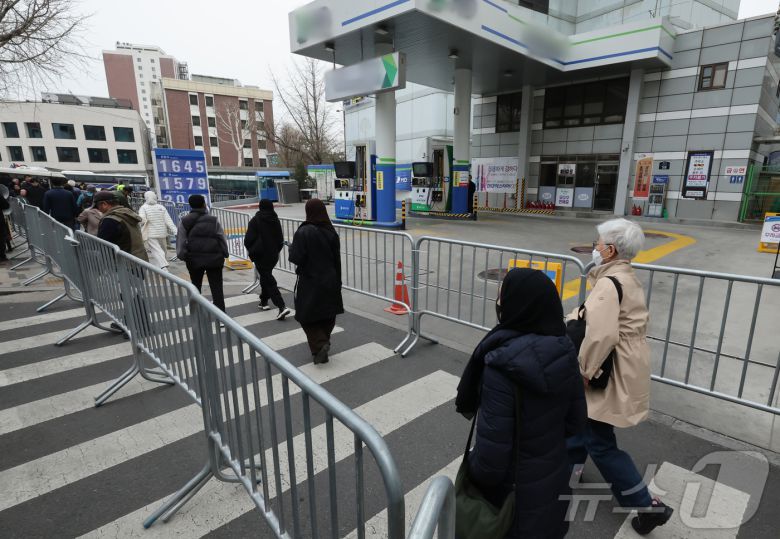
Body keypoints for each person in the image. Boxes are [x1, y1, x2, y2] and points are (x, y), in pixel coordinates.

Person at [456, 268, 586, 538]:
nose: (499, 303)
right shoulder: (564, 348)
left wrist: (472, 472)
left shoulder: (501, 365)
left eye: (502, 297)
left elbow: (491, 463)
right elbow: (576, 423)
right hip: (554, 484)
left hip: (514, 500)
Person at [566, 218, 673, 535]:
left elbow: (600, 335)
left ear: (610, 250)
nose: (595, 247)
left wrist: (584, 372)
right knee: (581, 422)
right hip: (623, 364)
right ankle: (568, 473)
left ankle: (646, 504)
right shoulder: (623, 277)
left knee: (598, 439)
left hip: (608, 367)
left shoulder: (609, 284)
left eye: (598, 243)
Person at [288, 198, 343, 364]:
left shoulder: (303, 232)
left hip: (310, 280)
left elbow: (296, 258)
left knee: (305, 315)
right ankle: (322, 343)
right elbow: (337, 260)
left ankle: (320, 344)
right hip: (330, 279)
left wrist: (292, 248)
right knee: (328, 314)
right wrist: (338, 281)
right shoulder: (331, 231)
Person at [177, 194, 229, 313]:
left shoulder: (184, 221)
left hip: (194, 259)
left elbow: (181, 241)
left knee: (195, 287)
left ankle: (197, 314)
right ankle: (221, 316)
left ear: (190, 205)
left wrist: (183, 256)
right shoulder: (213, 220)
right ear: (203, 204)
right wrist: (225, 253)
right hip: (214, 258)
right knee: (217, 288)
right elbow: (221, 238)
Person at [244, 199, 291, 320]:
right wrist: (275, 250)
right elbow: (280, 238)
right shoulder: (275, 220)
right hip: (273, 255)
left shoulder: (255, 220)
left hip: (260, 255)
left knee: (269, 280)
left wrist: (252, 250)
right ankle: (263, 301)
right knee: (266, 276)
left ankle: (281, 306)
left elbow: (248, 239)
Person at [94, 191, 148, 261]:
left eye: (98, 207)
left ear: (104, 204)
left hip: (124, 264)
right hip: (139, 260)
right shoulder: (127, 213)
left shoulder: (110, 220)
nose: (98, 210)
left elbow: (101, 245)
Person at [138, 190, 176, 270]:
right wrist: (175, 231)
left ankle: (162, 266)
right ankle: (162, 266)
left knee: (157, 250)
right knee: (163, 250)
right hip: (162, 233)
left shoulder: (143, 207)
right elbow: (168, 220)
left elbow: (142, 219)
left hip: (150, 233)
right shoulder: (161, 207)